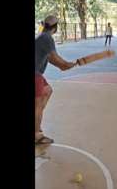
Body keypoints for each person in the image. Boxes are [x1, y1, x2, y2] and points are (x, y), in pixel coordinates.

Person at [35, 15, 78, 144]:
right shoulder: (47, 38)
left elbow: (51, 58)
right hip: (35, 74)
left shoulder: (41, 36)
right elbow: (57, 60)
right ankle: (37, 135)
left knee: (47, 91)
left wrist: (64, 65)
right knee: (37, 106)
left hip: (37, 74)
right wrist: (66, 64)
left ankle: (36, 123)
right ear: (55, 27)